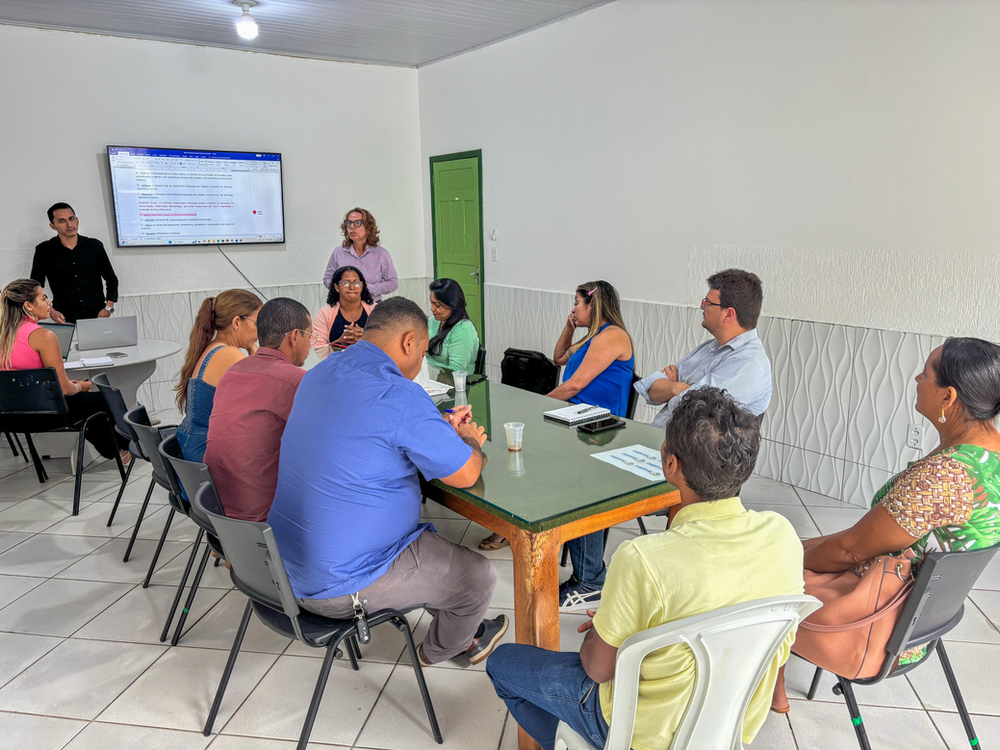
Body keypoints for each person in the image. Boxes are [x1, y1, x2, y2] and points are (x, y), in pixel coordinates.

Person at [486, 387, 804, 750]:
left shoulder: (644, 557)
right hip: (729, 723)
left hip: (641, 731)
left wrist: (602, 630)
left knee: (503, 662)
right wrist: (626, 625)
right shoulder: (783, 537)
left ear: (670, 464)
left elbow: (598, 669)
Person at [268, 297, 508, 666]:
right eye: (423, 352)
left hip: (285, 567)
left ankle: (463, 630)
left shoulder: (321, 372)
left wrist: (435, 433)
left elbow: (364, 436)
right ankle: (442, 650)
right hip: (340, 583)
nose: (420, 364)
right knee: (478, 576)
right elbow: (467, 473)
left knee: (432, 547)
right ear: (409, 341)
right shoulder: (400, 394)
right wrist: (469, 439)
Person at [771, 337, 1000, 713]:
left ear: (948, 398)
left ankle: (769, 689)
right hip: (924, 621)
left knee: (759, 571)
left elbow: (850, 550)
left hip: (882, 628)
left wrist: (787, 555)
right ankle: (775, 686)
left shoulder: (945, 476)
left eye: (925, 374)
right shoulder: (987, 454)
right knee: (791, 547)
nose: (916, 379)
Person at [481, 280, 634, 608]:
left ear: (594, 305)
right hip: (574, 422)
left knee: (577, 488)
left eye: (577, 303)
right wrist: (569, 326)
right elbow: (559, 358)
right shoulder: (592, 336)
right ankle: (524, 533)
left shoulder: (614, 336)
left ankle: (590, 577)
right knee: (528, 460)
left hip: (597, 430)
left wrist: (533, 406)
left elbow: (574, 384)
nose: (573, 308)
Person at [203, 298, 311, 522]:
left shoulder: (233, 371)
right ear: (294, 337)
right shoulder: (296, 381)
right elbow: (320, 449)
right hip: (259, 518)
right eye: (310, 336)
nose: (311, 345)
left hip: (215, 507)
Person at [0, 279, 129, 462]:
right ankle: (123, 448)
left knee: (89, 404)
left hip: (6, 417)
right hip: (45, 416)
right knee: (105, 398)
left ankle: (119, 450)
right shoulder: (44, 336)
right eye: (44, 298)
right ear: (28, 305)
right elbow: (65, 389)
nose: (49, 303)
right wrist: (80, 386)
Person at [635, 269, 771, 428]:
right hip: (661, 440)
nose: (702, 306)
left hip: (686, 451)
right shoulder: (709, 347)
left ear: (728, 314)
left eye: (708, 303)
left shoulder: (749, 364)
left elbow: (691, 411)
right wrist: (680, 388)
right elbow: (651, 389)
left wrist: (673, 389)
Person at [175, 289, 262, 462]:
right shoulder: (230, 355)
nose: (259, 332)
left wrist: (252, 347)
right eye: (257, 323)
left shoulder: (214, 346)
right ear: (237, 322)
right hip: (203, 452)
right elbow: (263, 394)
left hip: (190, 444)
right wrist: (254, 350)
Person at [29, 203, 119, 324]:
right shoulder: (44, 250)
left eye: (71, 219)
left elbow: (111, 278)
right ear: (53, 226)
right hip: (64, 317)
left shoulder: (94, 246)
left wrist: (109, 308)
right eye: (61, 221)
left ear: (77, 220)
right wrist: (51, 311)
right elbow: (35, 287)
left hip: (97, 315)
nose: (69, 225)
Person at [321, 207, 398, 301]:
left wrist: (368, 288)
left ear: (368, 227)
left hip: (372, 306)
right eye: (348, 223)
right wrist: (341, 287)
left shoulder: (381, 254)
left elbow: (393, 283)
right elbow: (327, 279)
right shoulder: (338, 253)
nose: (351, 227)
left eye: (357, 223)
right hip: (345, 306)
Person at [311, 266, 375, 360]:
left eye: (356, 283)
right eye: (346, 283)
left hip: (370, 367)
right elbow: (317, 351)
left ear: (362, 287)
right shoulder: (324, 313)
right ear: (337, 287)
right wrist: (340, 343)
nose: (352, 287)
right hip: (335, 369)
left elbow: (386, 344)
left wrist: (365, 339)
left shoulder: (375, 311)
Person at [427, 278, 479, 372]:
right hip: (433, 379)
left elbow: (457, 370)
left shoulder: (463, 329)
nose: (432, 309)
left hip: (453, 383)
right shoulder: (433, 321)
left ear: (453, 305)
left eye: (437, 305)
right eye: (432, 303)